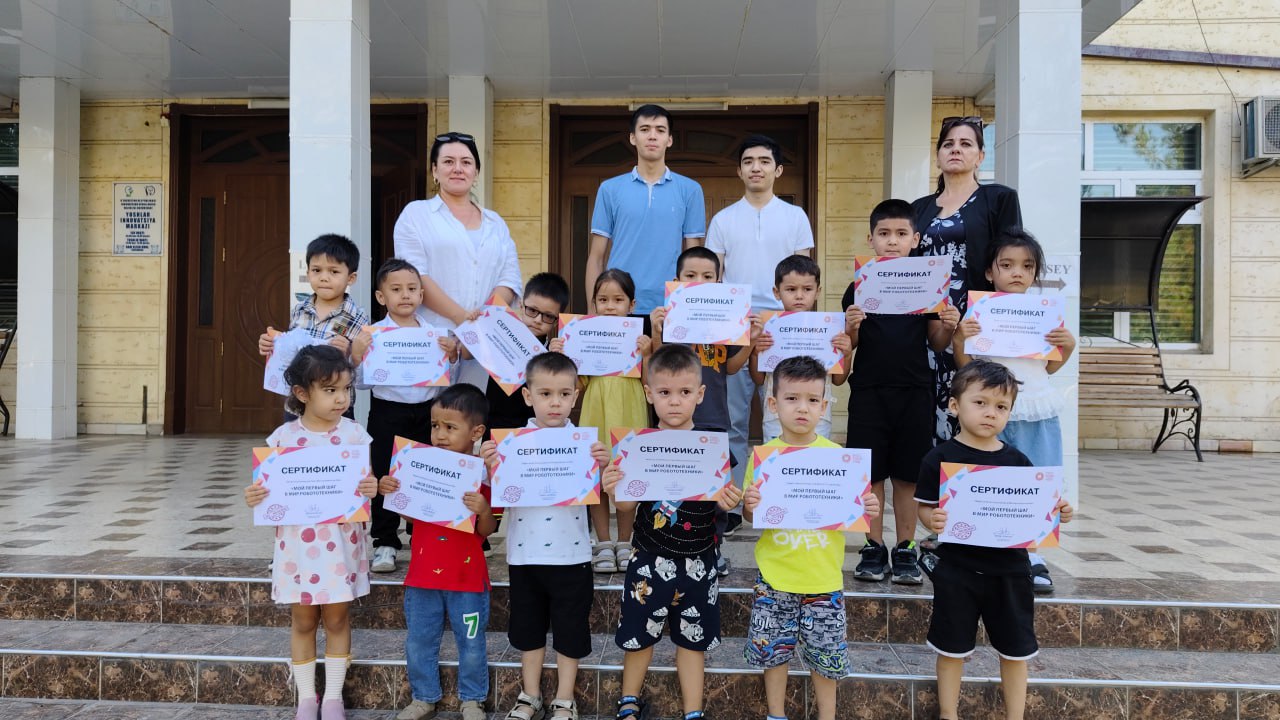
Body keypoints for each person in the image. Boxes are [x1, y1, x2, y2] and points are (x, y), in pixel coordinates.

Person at [915, 361, 1075, 720]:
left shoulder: (1018, 461)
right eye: (980, 403)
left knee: (1016, 650)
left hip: (1011, 572)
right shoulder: (939, 459)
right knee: (951, 649)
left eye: (1001, 406)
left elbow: (1039, 510)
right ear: (954, 405)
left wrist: (1059, 512)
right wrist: (931, 519)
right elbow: (925, 508)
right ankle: (948, 713)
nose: (991, 413)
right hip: (957, 571)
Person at [601, 343, 744, 720]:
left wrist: (729, 501)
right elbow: (626, 509)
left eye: (684, 392)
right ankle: (629, 702)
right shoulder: (637, 447)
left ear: (700, 394)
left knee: (693, 641)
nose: (675, 401)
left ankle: (693, 711)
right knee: (638, 636)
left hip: (700, 560)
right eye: (665, 392)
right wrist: (615, 490)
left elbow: (722, 500)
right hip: (649, 559)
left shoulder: (714, 447)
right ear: (649, 394)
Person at [242, 345, 379, 720]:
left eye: (346, 389)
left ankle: (333, 698)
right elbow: (267, 492)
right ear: (302, 393)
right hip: (298, 550)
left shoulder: (355, 435)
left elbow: (365, 483)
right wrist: (255, 496)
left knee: (337, 619)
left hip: (340, 546)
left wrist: (371, 487)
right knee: (303, 621)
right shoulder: (282, 439)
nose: (342, 399)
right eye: (330, 390)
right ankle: (306, 698)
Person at [741, 356, 881, 720]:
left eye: (812, 400)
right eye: (792, 398)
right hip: (776, 577)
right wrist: (750, 505)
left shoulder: (840, 460)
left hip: (824, 579)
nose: (802, 408)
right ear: (773, 404)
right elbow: (751, 516)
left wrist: (867, 505)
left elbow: (857, 513)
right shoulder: (764, 458)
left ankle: (827, 715)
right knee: (774, 654)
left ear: (825, 405)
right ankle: (776, 714)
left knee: (826, 658)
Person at [480, 352, 611, 720]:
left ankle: (565, 699)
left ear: (575, 396)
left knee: (571, 631)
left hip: (573, 556)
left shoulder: (585, 445)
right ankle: (530, 695)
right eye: (546, 394)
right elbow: (498, 494)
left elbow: (601, 493)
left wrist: (602, 468)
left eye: (564, 394)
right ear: (528, 396)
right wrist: (490, 466)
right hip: (525, 556)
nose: (555, 402)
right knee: (528, 630)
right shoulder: (511, 444)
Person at [840, 200, 960, 584]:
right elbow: (850, 344)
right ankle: (873, 547)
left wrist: (948, 324)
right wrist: (851, 326)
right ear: (870, 238)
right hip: (869, 390)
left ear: (916, 238)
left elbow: (937, 342)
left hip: (915, 390)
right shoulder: (858, 286)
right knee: (870, 473)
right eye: (884, 234)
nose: (892, 241)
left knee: (908, 475)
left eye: (901, 233)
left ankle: (905, 547)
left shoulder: (928, 284)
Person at [952, 228, 1076, 593]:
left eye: (1026, 266)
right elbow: (966, 368)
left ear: (1035, 273)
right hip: (991, 411)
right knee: (987, 478)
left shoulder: (1045, 316)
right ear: (990, 272)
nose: (1016, 272)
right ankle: (980, 548)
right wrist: (960, 338)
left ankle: (1032, 556)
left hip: (1035, 406)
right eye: (1006, 265)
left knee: (1034, 478)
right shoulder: (979, 314)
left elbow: (1049, 368)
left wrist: (1067, 346)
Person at [706, 134, 815, 529]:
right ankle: (733, 506)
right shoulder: (722, 220)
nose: (756, 167)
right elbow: (713, 279)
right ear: (739, 170)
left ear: (778, 170)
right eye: (749, 161)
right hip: (735, 329)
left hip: (783, 329)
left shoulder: (795, 216)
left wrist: (798, 324)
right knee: (733, 420)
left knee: (783, 419)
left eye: (764, 161)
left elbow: (804, 278)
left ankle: (781, 500)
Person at [379, 384, 496, 720]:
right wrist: (392, 490)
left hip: (467, 580)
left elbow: (487, 530)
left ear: (476, 432)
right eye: (435, 426)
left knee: (471, 642)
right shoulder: (418, 467)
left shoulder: (482, 477)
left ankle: (472, 699)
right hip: (422, 578)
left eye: (450, 427)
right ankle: (423, 697)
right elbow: (411, 515)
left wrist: (483, 509)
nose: (440, 434)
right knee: (419, 641)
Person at [650, 247, 761, 577]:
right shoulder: (668, 320)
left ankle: (713, 547)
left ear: (718, 282)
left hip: (713, 418)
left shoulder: (725, 320)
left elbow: (731, 367)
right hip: (674, 421)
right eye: (690, 275)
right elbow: (657, 365)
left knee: (714, 490)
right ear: (676, 281)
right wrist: (656, 331)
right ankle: (668, 542)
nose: (699, 281)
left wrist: (751, 339)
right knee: (674, 485)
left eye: (707, 276)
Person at [910, 116, 1022, 444]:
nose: (955, 150)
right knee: (928, 410)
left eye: (965, 144)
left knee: (975, 402)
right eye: (948, 144)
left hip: (976, 325)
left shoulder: (998, 199)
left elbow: (1011, 257)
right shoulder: (919, 208)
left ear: (980, 156)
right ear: (938, 156)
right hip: (928, 327)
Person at [353, 258, 460, 573]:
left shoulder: (436, 335)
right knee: (385, 476)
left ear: (421, 295)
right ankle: (385, 542)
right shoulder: (373, 335)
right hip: (387, 411)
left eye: (412, 289)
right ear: (381, 296)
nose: (405, 295)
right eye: (396, 289)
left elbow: (447, 381)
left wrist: (452, 356)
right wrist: (358, 355)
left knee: (423, 476)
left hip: (428, 413)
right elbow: (361, 384)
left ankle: (422, 538)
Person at [394, 131, 523, 390]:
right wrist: (464, 320)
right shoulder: (416, 214)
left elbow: (509, 279)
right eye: (448, 162)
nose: (457, 169)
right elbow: (414, 276)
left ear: (476, 172)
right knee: (428, 411)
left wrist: (480, 327)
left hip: (482, 344)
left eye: (466, 162)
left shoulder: (495, 222)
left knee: (471, 408)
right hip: (430, 338)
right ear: (435, 170)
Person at [554, 269, 652, 574]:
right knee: (596, 476)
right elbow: (575, 385)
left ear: (632, 305)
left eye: (618, 300)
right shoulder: (584, 335)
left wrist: (647, 353)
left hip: (630, 411)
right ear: (594, 303)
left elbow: (651, 386)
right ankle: (603, 542)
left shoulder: (640, 339)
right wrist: (562, 356)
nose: (610, 306)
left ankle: (625, 541)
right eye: (603, 300)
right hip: (596, 413)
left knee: (626, 475)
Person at [587, 104, 706, 315]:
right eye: (645, 129)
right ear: (633, 138)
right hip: (619, 303)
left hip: (671, 306)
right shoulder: (609, 189)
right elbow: (596, 257)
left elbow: (694, 261)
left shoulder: (690, 190)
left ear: (669, 140)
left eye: (660, 130)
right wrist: (593, 311)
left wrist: (692, 311)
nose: (652, 136)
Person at [258, 234, 370, 420]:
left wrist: (351, 356)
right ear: (308, 272)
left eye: (334, 272)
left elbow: (363, 379)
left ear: (351, 278)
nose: (324, 278)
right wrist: (271, 346)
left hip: (337, 408)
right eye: (317, 270)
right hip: (297, 405)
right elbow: (290, 354)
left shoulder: (358, 318)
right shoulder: (299, 310)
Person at [749, 255, 850, 442]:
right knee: (777, 459)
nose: (799, 296)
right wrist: (755, 353)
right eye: (791, 289)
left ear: (818, 292)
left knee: (815, 459)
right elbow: (758, 379)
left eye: (807, 289)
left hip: (818, 416)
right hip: (776, 416)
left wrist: (847, 353)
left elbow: (838, 380)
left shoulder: (830, 330)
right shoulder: (769, 329)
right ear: (777, 292)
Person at [479, 272, 570, 434]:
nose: (538, 320)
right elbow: (468, 353)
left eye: (548, 316)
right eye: (532, 310)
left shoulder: (554, 351)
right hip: (496, 424)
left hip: (536, 429)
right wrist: (476, 320)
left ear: (556, 321)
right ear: (521, 306)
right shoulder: (500, 334)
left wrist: (553, 359)